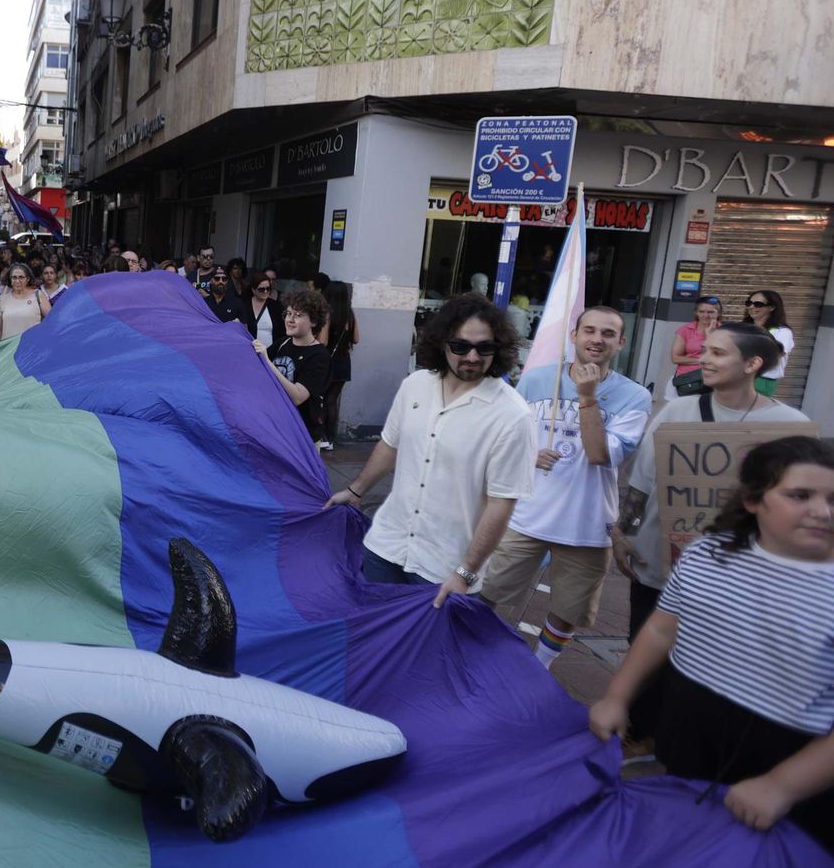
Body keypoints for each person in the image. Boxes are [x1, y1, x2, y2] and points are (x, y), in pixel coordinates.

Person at [592, 436, 834, 850]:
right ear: (755, 500)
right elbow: (661, 630)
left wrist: (783, 785)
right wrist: (617, 696)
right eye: (800, 495)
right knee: (686, 829)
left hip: (793, 751)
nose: (822, 511)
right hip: (691, 718)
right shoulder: (708, 553)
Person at [612, 323, 810, 740]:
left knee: (714, 657)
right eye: (706, 350)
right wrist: (623, 533)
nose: (703, 358)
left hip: (741, 569)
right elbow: (642, 482)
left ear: (753, 364)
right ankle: (640, 731)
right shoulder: (676, 411)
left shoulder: (789, 427)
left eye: (718, 353)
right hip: (660, 558)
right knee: (646, 644)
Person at [325, 294, 534, 607]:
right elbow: (390, 444)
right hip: (386, 546)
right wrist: (356, 492)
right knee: (373, 643)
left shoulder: (513, 415)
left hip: (443, 567)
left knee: (427, 654)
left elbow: (501, 504)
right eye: (461, 346)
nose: (473, 357)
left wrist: (466, 572)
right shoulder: (416, 384)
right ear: (442, 343)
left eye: (484, 347)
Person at [482, 308, 652, 667]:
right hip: (523, 514)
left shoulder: (634, 397)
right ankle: (472, 655)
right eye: (588, 330)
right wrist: (527, 454)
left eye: (608, 333)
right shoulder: (535, 380)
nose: (596, 339)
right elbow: (505, 436)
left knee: (568, 609)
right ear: (573, 336)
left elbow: (600, 455)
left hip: (587, 525)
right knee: (485, 592)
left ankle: (539, 668)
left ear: (620, 343)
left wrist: (587, 397)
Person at [260, 289, 331, 445]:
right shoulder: (282, 343)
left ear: (313, 321)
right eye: (288, 313)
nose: (290, 319)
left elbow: (297, 397)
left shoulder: (319, 355)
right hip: (277, 430)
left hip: (303, 437)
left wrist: (267, 361)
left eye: (298, 315)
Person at [319, 281, 359, 451]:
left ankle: (323, 437)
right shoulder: (350, 314)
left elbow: (323, 341)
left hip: (329, 361)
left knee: (323, 399)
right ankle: (331, 439)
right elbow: (356, 339)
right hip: (344, 361)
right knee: (332, 400)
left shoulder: (328, 314)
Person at [665, 295, 722, 399]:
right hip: (687, 380)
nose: (705, 315)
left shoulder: (725, 331)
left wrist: (709, 335)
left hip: (713, 380)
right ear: (696, 312)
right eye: (701, 311)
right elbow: (675, 358)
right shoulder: (685, 330)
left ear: (718, 313)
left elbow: (722, 357)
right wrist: (704, 360)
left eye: (710, 312)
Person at [743, 289, 794, 397]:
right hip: (740, 376)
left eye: (758, 304)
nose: (752, 307)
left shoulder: (781, 331)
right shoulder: (745, 327)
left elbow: (775, 354)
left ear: (772, 307)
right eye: (749, 303)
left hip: (761, 380)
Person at [0, 263, 49, 341]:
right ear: (10, 279)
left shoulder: (38, 295)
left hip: (31, 348)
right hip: (8, 350)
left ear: (28, 279)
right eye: (14, 277)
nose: (17, 281)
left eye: (21, 277)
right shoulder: (2, 299)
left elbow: (51, 321)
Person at [245, 274, 283, 350]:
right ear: (253, 290)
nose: (265, 291)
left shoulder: (276, 306)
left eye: (268, 289)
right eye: (261, 289)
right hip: (250, 351)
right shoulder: (244, 305)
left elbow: (282, 331)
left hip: (272, 352)